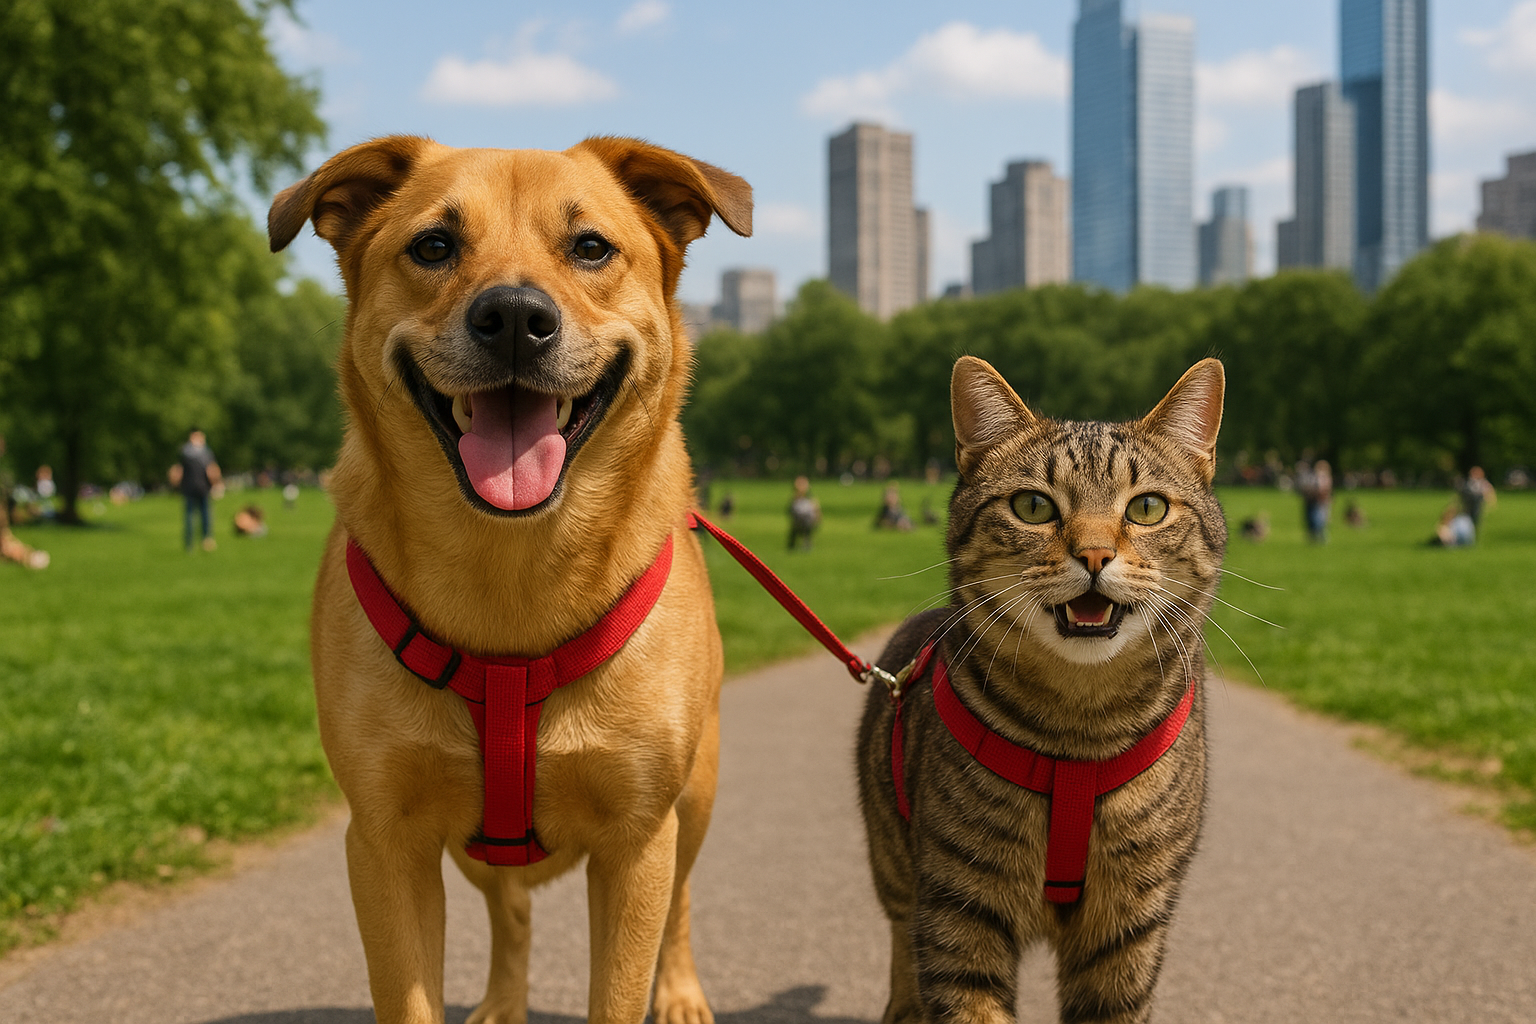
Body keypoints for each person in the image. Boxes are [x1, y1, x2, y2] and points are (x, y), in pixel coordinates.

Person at [169, 428, 222, 552]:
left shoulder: (184, 452)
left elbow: (177, 471)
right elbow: (212, 470)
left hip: (189, 488)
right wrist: (216, 484)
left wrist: (175, 487)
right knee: (204, 515)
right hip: (201, 488)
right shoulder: (206, 452)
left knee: (191, 516)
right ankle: (206, 540)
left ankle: (189, 544)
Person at [786, 475, 820, 550]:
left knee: (806, 533)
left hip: (807, 522)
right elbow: (790, 511)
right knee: (794, 533)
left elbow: (816, 510)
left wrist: (817, 519)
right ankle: (792, 545)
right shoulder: (795, 500)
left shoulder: (811, 500)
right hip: (797, 522)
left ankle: (806, 544)